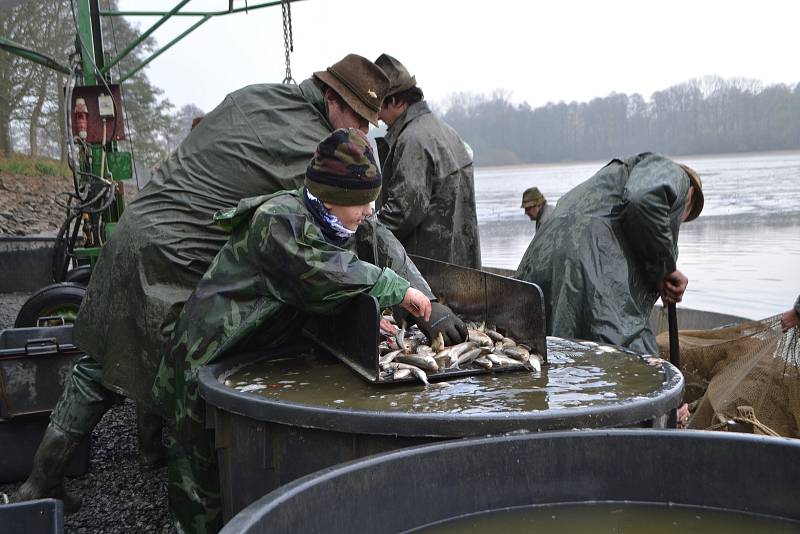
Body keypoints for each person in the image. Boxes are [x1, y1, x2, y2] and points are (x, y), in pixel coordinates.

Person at [15, 54, 396, 511]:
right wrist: (420, 296)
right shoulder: (313, 141)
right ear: (332, 98)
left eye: (368, 123)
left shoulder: (261, 96)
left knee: (111, 356)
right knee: (161, 358)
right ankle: (56, 485)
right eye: (357, 116)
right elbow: (361, 225)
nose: (361, 131)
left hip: (138, 226)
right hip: (175, 252)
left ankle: (82, 471)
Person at [153, 128, 466, 532]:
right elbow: (319, 273)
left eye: (372, 199)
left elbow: (384, 245)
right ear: (330, 196)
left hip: (262, 350)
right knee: (202, 486)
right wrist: (396, 292)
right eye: (363, 201)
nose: (370, 209)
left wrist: (427, 301)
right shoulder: (277, 222)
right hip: (207, 357)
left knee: (239, 476)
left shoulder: (343, 219)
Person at [516, 153, 704, 355]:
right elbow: (643, 200)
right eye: (683, 217)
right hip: (586, 263)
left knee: (554, 358)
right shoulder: (676, 176)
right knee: (638, 367)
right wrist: (665, 268)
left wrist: (659, 272)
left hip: (538, 260)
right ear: (691, 195)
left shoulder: (612, 180)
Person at [374, 53, 481, 269]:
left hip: (430, 273)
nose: (377, 117)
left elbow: (401, 213)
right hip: (462, 269)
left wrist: (362, 232)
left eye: (379, 106)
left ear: (396, 101)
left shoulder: (412, 139)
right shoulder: (447, 132)